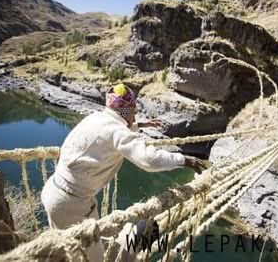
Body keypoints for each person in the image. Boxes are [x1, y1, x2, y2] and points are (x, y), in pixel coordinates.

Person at [41, 84, 207, 261]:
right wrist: (184, 160)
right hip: (72, 206)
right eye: (133, 111)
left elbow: (109, 135)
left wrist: (138, 125)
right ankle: (134, 236)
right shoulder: (115, 130)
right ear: (125, 111)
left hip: (54, 193)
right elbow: (148, 160)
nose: (135, 115)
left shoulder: (96, 118)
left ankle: (131, 237)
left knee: (67, 251)